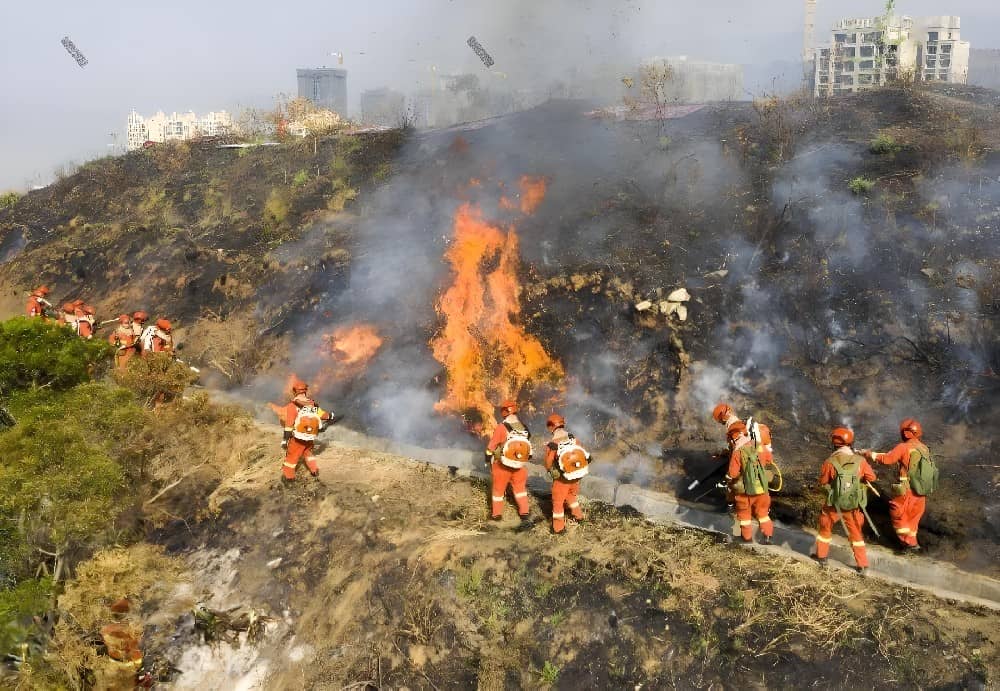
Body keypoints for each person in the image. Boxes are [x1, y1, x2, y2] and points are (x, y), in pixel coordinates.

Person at [863, 419, 935, 551]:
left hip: (907, 491)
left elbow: (888, 459)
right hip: (921, 491)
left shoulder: (903, 447)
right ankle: (913, 545)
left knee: (898, 515)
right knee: (912, 520)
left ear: (906, 433)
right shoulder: (924, 448)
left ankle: (909, 545)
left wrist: (869, 454)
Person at [814, 427, 876, 573]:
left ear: (834, 443)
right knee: (856, 534)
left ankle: (821, 557)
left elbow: (823, 482)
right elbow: (872, 478)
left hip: (834, 505)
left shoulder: (830, 461)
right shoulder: (860, 461)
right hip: (852, 505)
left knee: (825, 529)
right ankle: (862, 565)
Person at [724, 421, 774, 544]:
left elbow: (733, 473)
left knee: (744, 515)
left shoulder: (738, 451)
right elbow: (769, 460)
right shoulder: (760, 446)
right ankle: (767, 537)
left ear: (734, 437)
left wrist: (727, 479)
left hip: (745, 492)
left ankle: (746, 538)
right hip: (762, 489)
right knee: (763, 514)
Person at [484, 400, 532, 526]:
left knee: (498, 491)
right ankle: (524, 512)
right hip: (519, 467)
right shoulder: (524, 428)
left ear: (504, 412)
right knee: (520, 490)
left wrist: (488, 458)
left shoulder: (502, 427)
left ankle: (496, 515)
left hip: (502, 467)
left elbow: (491, 446)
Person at [543, 413, 590, 535]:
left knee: (558, 502)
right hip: (575, 476)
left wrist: (551, 468)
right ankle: (579, 517)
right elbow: (583, 454)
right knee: (570, 496)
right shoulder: (573, 439)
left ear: (551, 427)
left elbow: (548, 464)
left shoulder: (552, 444)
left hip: (562, 479)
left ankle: (558, 528)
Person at [279, 379, 333, 482]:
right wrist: (331, 416)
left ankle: (288, 477)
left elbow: (289, 425)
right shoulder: (312, 404)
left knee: (292, 456)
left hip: (297, 438)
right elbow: (323, 415)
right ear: (305, 391)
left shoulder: (293, 406)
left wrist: (285, 440)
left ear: (295, 391)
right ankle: (314, 470)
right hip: (310, 437)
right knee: (308, 453)